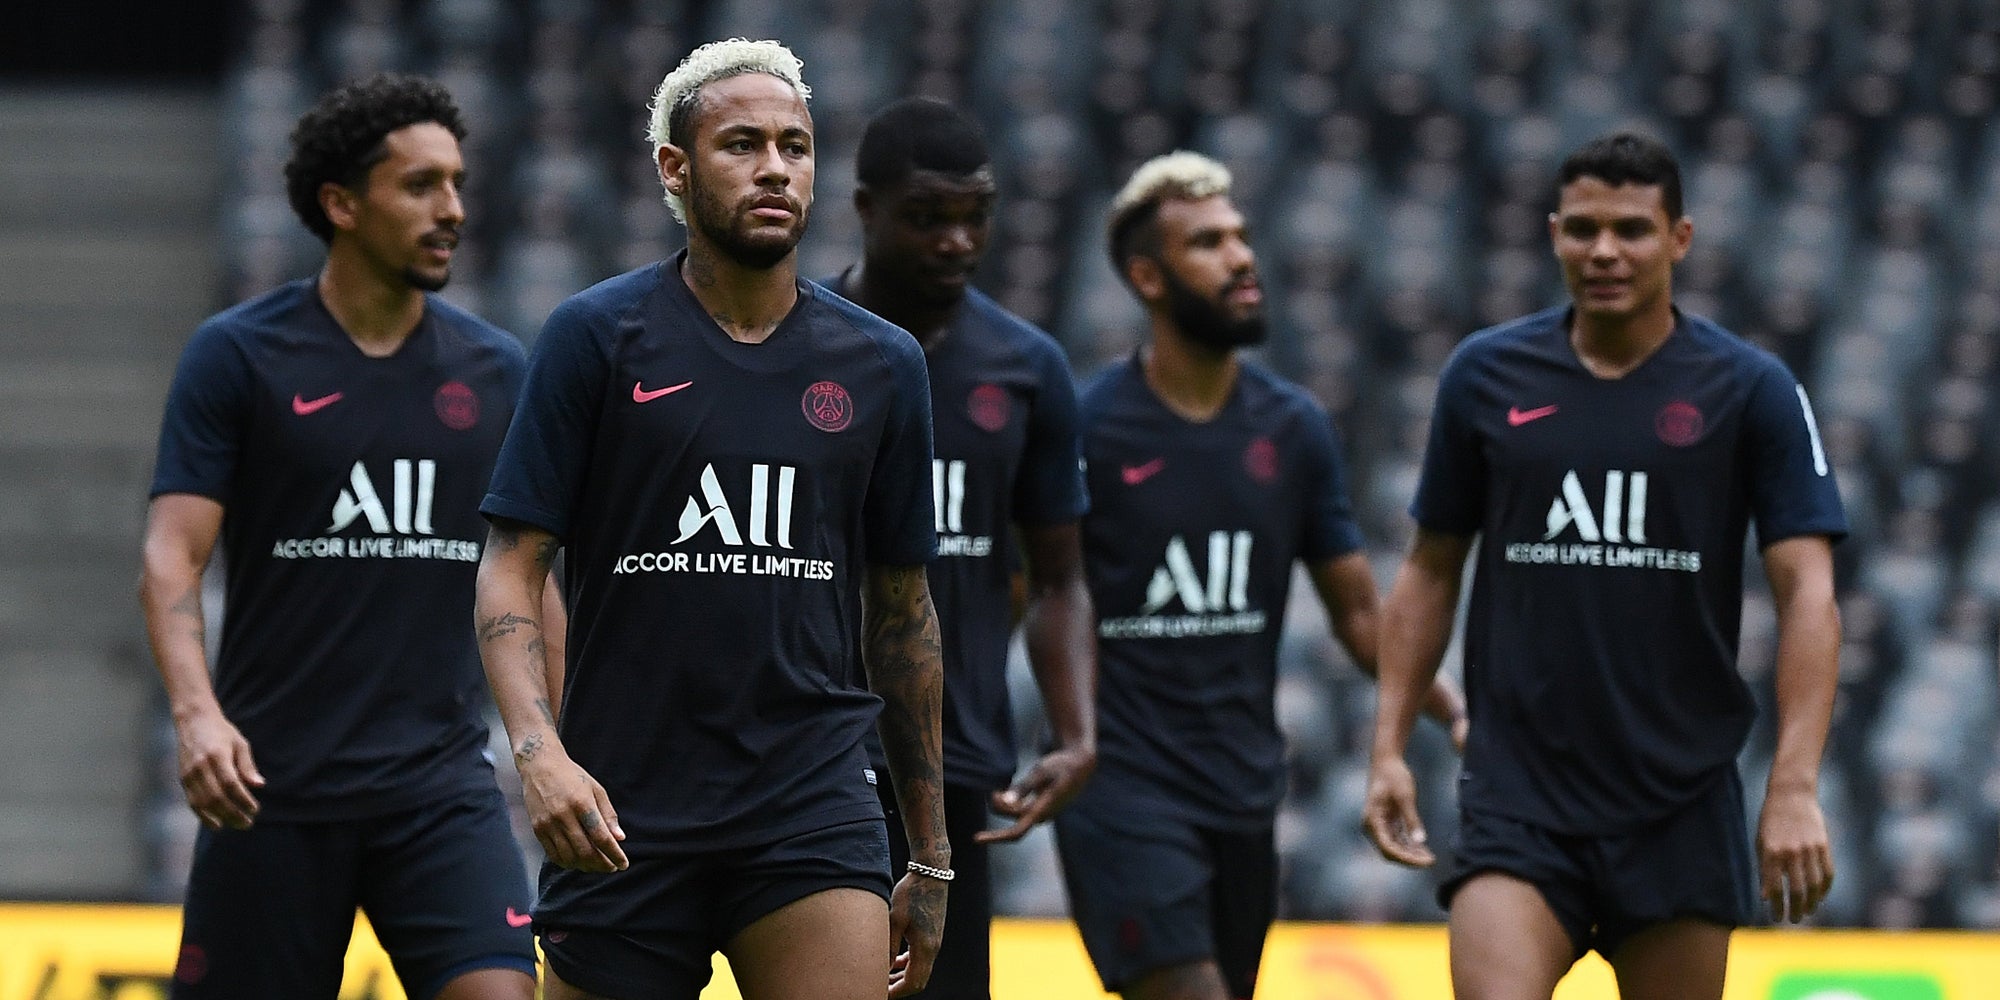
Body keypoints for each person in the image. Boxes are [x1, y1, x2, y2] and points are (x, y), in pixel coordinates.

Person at [473, 39, 950, 1000]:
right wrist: (540, 755)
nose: (776, 167)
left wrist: (930, 855)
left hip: (809, 799)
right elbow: (510, 569)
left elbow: (903, 617)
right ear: (675, 170)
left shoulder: (884, 363)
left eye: (796, 145)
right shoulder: (595, 338)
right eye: (743, 144)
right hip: (623, 807)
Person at [1363, 131, 1845, 1000]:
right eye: (1582, 229)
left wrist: (1794, 786)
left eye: (1632, 229)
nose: (1605, 252)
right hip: (1521, 793)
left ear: (1681, 239)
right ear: (1552, 234)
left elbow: (1808, 589)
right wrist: (1389, 746)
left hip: (1680, 796)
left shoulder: (1752, 389)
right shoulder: (1484, 375)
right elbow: (1430, 568)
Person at [139, 74, 538, 1000]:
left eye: (458, 183)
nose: (454, 210)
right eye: (421, 185)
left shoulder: (497, 371)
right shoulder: (237, 356)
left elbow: (528, 578)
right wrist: (197, 716)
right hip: (271, 793)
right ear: (340, 204)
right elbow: (172, 554)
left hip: (437, 790)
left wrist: (545, 743)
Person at [1057, 150, 1466, 1000]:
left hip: (1243, 794)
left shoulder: (1294, 427)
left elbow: (1358, 615)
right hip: (1122, 790)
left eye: (1240, 236)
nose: (1242, 257)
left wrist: (1454, 712)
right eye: (1208, 243)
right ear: (1148, 276)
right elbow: (1034, 595)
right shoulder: (1084, 429)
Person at [826, 96, 1096, 1000]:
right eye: (927, 216)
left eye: (975, 214)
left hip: (953, 763)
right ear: (865, 208)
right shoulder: (802, 345)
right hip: (810, 760)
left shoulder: (1028, 368)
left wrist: (1076, 731)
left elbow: (1059, 580)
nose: (956, 239)